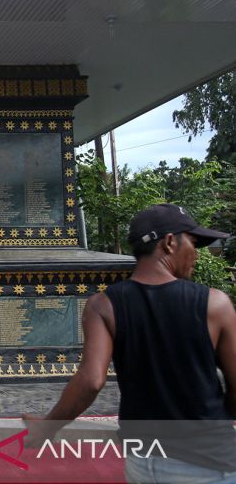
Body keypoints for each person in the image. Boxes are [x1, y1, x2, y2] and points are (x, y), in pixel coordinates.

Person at [23, 203, 236, 483]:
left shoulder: (104, 305)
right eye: (194, 243)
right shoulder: (214, 304)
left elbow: (90, 381)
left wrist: (48, 429)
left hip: (142, 463)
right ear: (170, 243)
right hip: (209, 463)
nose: (196, 254)